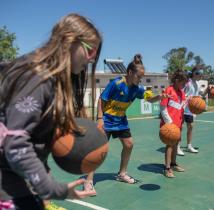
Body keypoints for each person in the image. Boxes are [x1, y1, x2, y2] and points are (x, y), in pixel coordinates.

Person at [0, 13, 102, 210]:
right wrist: (54, 189)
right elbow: (16, 144)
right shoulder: (37, 77)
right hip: (8, 195)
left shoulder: (50, 80)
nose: (92, 59)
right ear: (69, 40)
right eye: (90, 50)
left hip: (21, 190)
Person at [84, 54, 168, 189]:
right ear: (130, 73)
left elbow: (149, 99)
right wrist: (100, 119)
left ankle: (122, 174)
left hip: (121, 120)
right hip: (107, 120)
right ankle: (88, 180)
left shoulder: (138, 89)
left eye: (142, 77)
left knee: (129, 144)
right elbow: (101, 100)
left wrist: (159, 96)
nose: (140, 80)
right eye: (138, 76)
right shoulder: (116, 84)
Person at [178, 65, 214, 155]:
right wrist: (189, 98)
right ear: (194, 74)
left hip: (190, 109)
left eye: (201, 74)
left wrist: (208, 89)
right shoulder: (187, 82)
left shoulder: (197, 84)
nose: (201, 76)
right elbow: (180, 93)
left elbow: (201, 95)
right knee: (180, 128)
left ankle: (189, 146)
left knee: (190, 126)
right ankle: (178, 146)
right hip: (182, 107)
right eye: (199, 74)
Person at [160, 69, 188, 178]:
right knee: (169, 145)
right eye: (183, 82)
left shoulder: (182, 93)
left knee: (176, 144)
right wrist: (169, 122)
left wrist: (182, 119)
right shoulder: (169, 90)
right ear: (176, 80)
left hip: (178, 123)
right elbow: (163, 108)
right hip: (169, 125)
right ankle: (167, 168)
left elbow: (181, 107)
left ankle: (173, 163)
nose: (184, 85)